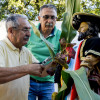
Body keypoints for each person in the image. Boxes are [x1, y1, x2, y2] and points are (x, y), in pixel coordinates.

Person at [0, 14, 45, 100]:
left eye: (29, 29)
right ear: (11, 31)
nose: (29, 34)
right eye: (25, 29)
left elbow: (41, 71)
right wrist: (27, 69)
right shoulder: (1, 47)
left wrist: (54, 62)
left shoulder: (26, 51)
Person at [26, 4, 61, 100]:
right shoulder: (29, 32)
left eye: (52, 17)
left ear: (56, 19)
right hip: (28, 81)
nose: (49, 21)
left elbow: (63, 57)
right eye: (46, 17)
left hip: (48, 82)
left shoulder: (60, 35)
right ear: (39, 18)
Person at [65, 12, 100, 100]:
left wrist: (80, 75)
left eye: (82, 27)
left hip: (90, 86)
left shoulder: (96, 41)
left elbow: (89, 60)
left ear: (91, 27)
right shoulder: (79, 44)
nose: (79, 31)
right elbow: (71, 62)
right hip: (78, 84)